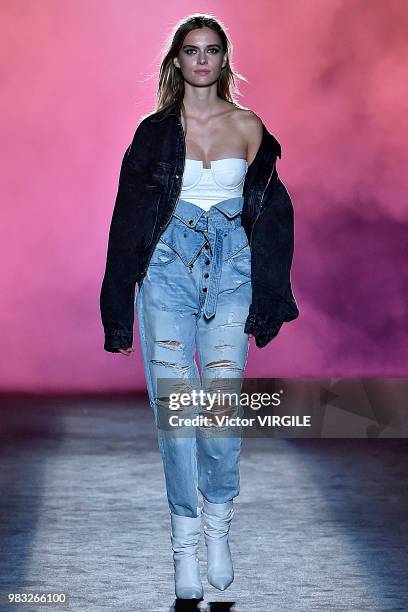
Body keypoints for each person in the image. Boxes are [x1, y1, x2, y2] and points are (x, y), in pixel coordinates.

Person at [100, 13, 299, 601]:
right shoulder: (154, 134)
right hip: (166, 269)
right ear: (177, 62)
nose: (202, 60)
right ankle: (183, 547)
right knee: (177, 414)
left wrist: (271, 293)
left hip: (233, 269)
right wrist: (116, 310)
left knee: (219, 408)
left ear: (224, 60)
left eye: (212, 50)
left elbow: (275, 217)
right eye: (192, 51)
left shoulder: (248, 125)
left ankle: (218, 530)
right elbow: (125, 223)